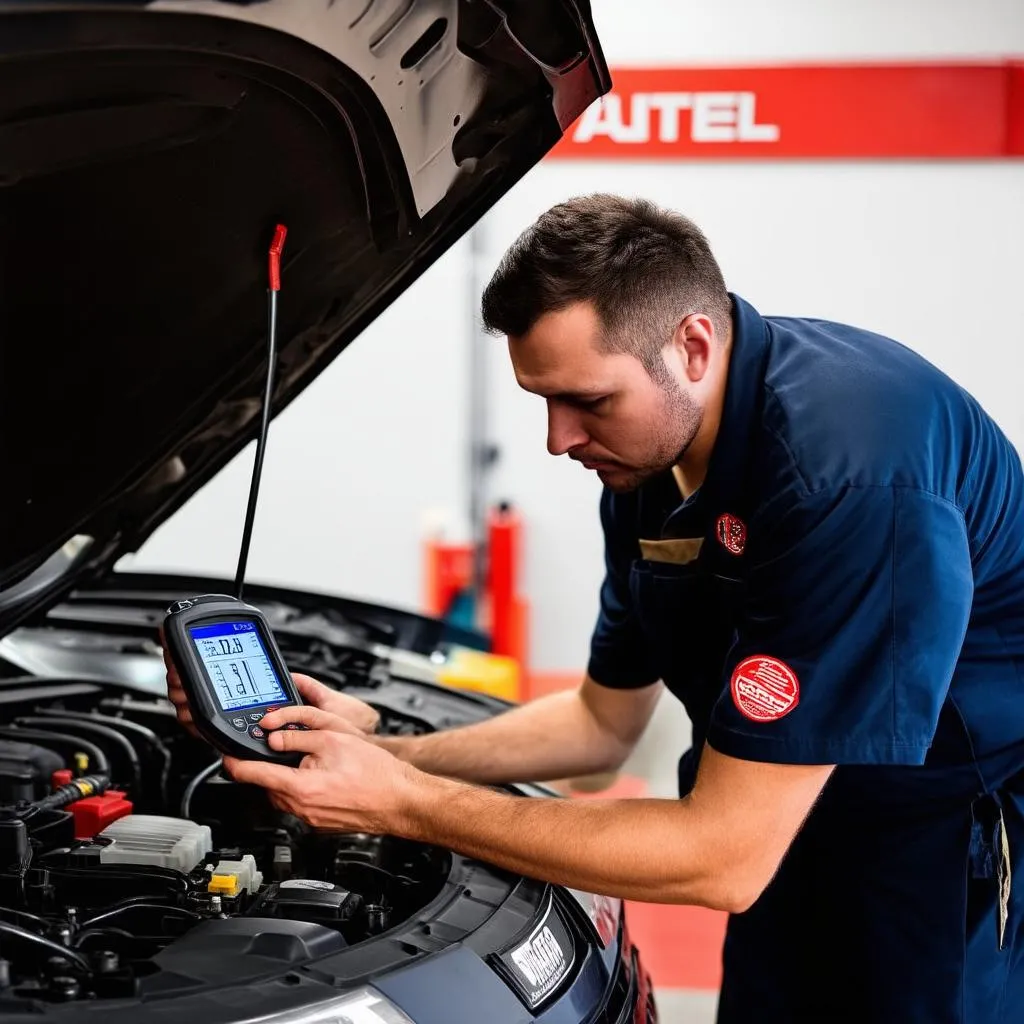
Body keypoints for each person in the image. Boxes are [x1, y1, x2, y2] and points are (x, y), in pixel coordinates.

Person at [165, 194, 1024, 1022]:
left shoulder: (854, 478)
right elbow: (599, 727)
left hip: (937, 864)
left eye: (590, 401)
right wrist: (385, 755)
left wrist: (404, 804)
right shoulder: (649, 471)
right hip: (779, 832)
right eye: (545, 400)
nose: (558, 439)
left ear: (693, 346)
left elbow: (723, 858)